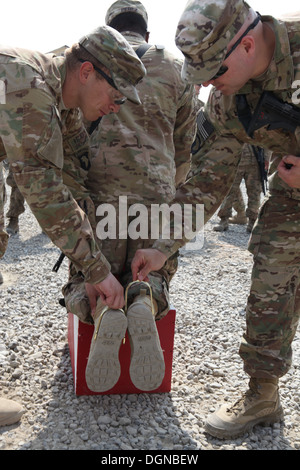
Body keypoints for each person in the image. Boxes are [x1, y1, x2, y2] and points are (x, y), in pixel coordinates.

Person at [131, 0, 300, 439]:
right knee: (272, 274)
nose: (207, 85)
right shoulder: (228, 100)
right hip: (293, 186)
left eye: (214, 72)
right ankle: (263, 395)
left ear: (246, 45)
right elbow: (206, 183)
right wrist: (161, 245)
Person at [0, 25, 146, 421]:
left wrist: (103, 245)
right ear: (86, 72)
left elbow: (78, 171)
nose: (116, 107)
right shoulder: (29, 87)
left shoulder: (60, 101)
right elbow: (45, 192)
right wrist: (97, 270)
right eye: (114, 95)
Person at [63, 0, 197, 393]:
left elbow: (71, 133)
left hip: (99, 195)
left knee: (90, 274)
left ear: (109, 30)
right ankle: (143, 300)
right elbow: (185, 144)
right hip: (155, 195)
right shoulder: (177, 69)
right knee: (149, 270)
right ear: (147, 33)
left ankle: (103, 311)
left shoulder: (92, 63)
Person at [213, 144, 269, 233]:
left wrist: (266, 158)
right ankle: (224, 220)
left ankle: (252, 222)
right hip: (235, 158)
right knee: (229, 190)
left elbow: (266, 138)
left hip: (255, 159)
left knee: (254, 192)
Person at [5, 163, 25, 235]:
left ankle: (47, 220)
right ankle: (14, 219)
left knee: (44, 182)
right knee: (16, 179)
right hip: (19, 153)